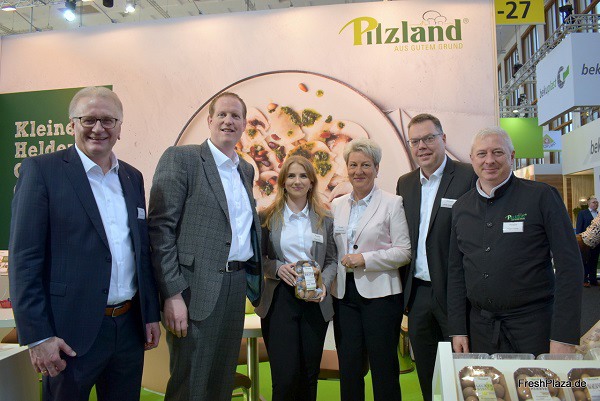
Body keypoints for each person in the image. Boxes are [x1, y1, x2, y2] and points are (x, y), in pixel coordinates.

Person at [9, 86, 161, 401]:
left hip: (128, 329)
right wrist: (38, 337)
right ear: (72, 125)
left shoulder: (132, 177)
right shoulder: (42, 171)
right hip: (67, 333)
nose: (98, 128)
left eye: (108, 120)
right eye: (88, 119)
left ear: (120, 127)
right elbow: (24, 261)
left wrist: (149, 314)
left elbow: (139, 252)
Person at [148, 91, 263, 401]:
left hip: (236, 284)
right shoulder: (182, 159)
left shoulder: (245, 170)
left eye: (236, 116)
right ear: (209, 120)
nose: (228, 121)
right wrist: (172, 294)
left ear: (244, 125)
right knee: (190, 384)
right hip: (193, 289)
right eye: (222, 114)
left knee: (221, 382)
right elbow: (160, 230)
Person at [448, 127, 583, 356]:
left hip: (534, 328)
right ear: (472, 159)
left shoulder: (542, 196)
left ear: (512, 156)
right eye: (481, 154)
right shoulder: (461, 207)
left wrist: (563, 336)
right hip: (479, 331)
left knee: (537, 381)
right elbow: (456, 272)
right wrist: (457, 329)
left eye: (497, 152)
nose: (489, 160)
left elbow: (570, 267)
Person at [396, 113, 475, 401]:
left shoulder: (468, 176)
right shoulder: (405, 183)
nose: (422, 146)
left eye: (428, 138)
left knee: (463, 375)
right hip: (418, 295)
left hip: (457, 295)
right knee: (427, 374)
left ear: (443, 138)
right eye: (415, 141)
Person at [331, 138, 411, 401]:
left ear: (377, 168)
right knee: (349, 367)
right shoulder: (337, 205)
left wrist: (365, 259)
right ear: (346, 168)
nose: (359, 171)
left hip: (382, 297)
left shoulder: (392, 203)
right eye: (353, 165)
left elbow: (404, 251)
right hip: (344, 296)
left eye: (365, 165)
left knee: (383, 367)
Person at [256, 155, 337, 401]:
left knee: (309, 375)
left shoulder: (325, 220)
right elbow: (259, 259)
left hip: (315, 301)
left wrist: (325, 284)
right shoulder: (267, 218)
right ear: (282, 181)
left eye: (303, 176)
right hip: (280, 300)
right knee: (284, 377)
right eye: (291, 176)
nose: (297, 181)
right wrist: (277, 268)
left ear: (311, 182)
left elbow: (332, 261)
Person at [576, 196, 599, 287]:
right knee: (584, 261)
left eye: (597, 202)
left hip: (596, 243)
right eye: (594, 202)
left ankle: (593, 280)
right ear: (589, 204)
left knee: (594, 260)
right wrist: (579, 241)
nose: (596, 204)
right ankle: (584, 280)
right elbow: (579, 227)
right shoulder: (583, 213)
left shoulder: (598, 214)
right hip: (584, 241)